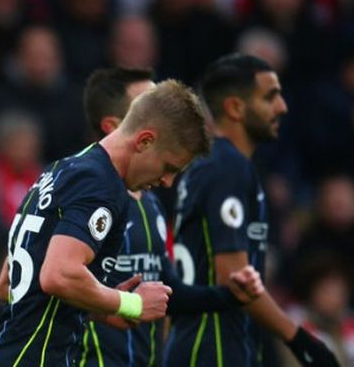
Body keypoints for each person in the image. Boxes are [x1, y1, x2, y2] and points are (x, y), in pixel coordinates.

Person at [0, 79, 211, 367]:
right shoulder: (101, 184)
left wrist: (102, 307)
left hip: (5, 354)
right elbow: (58, 275)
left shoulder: (61, 170)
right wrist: (132, 303)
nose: (167, 181)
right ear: (145, 140)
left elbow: (7, 284)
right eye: (169, 167)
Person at [77, 67, 264, 367]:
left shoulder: (150, 201)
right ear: (114, 125)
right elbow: (20, 281)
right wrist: (122, 304)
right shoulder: (83, 191)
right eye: (147, 103)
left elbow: (169, 291)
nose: (161, 110)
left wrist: (227, 295)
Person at [164, 55, 340, 367]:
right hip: (214, 347)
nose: (282, 107)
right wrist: (298, 338)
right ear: (235, 107)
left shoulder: (211, 165)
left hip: (206, 342)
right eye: (270, 97)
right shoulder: (227, 168)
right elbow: (234, 276)